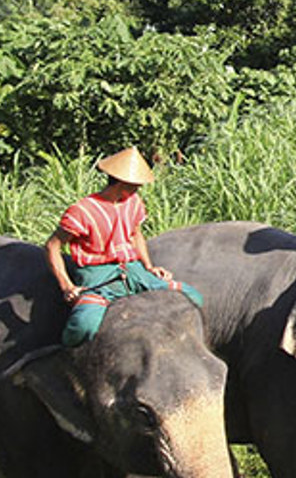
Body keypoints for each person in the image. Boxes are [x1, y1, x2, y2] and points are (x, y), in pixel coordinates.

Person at [46, 146, 204, 348]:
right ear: (122, 183)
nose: (138, 189)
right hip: (99, 276)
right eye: (135, 185)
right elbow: (52, 246)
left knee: (192, 296)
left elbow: (136, 233)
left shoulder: (134, 202)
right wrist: (67, 286)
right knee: (83, 325)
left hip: (133, 270)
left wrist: (149, 267)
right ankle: (64, 353)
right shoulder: (82, 211)